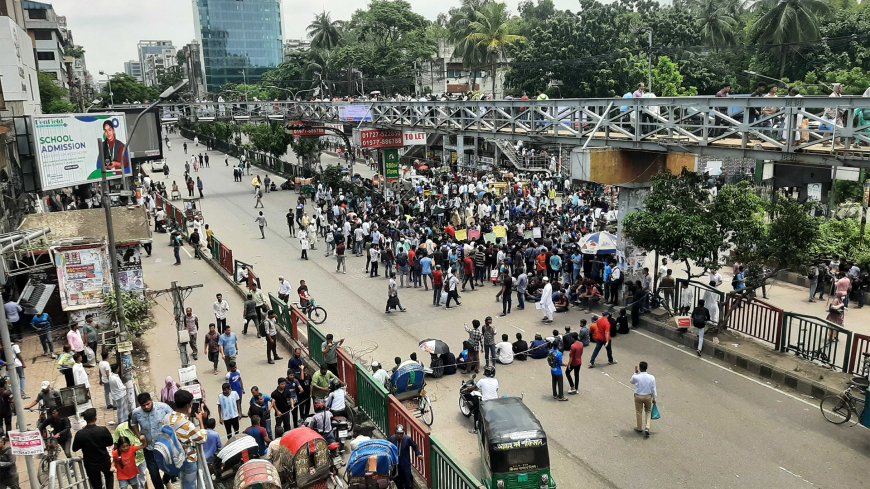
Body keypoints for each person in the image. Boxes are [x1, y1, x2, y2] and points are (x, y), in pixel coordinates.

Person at [131, 393, 175, 489]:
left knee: (171, 468)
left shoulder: (163, 407)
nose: (146, 407)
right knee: (154, 473)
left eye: (148, 404)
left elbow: (174, 418)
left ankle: (166, 479)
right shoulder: (136, 413)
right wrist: (139, 436)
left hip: (165, 446)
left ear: (151, 401)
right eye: (143, 406)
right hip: (149, 447)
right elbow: (133, 423)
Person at [167, 390, 208, 489]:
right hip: (188, 460)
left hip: (174, 459)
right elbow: (202, 438)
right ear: (187, 405)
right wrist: (201, 421)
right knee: (190, 486)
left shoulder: (167, 418)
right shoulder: (187, 424)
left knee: (183, 483)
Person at [71, 407, 113, 489]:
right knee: (109, 477)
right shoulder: (103, 430)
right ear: (95, 418)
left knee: (96, 485)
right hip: (104, 460)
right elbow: (110, 443)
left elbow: (74, 448)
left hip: (90, 463)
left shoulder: (80, 434)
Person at [112, 421, 146, 489]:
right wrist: (112, 467)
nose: (126, 448)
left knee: (137, 484)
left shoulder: (132, 449)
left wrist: (143, 439)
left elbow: (143, 445)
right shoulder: (116, 453)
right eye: (123, 447)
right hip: (122, 476)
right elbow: (114, 461)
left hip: (133, 474)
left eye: (127, 446)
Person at [389, 424, 422, 489]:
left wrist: (418, 454)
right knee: (397, 480)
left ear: (403, 433)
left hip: (405, 464)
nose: (399, 435)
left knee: (408, 481)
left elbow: (415, 446)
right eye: (398, 433)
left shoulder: (407, 439)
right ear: (395, 433)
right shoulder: (392, 438)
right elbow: (389, 448)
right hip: (396, 464)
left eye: (401, 434)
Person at [630, 361, 658, 438]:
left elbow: (631, 381)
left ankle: (639, 428)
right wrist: (654, 398)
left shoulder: (637, 376)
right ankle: (647, 427)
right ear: (646, 368)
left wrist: (635, 373)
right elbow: (654, 389)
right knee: (648, 411)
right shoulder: (652, 377)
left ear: (639, 368)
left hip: (638, 396)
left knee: (639, 412)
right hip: (648, 396)